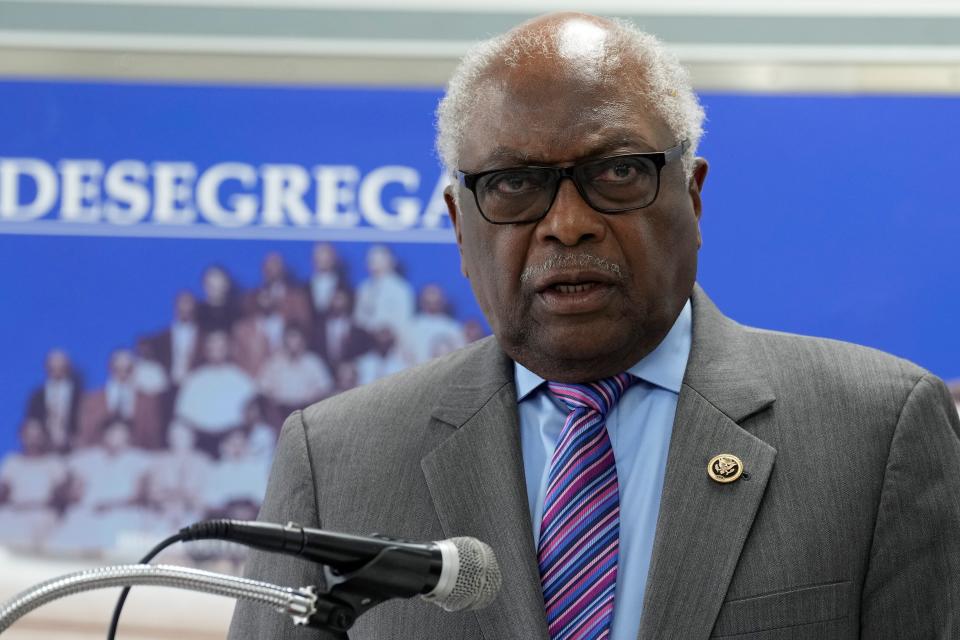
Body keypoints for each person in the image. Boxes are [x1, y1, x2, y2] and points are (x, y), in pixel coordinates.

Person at [230, 13, 960, 640]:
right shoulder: (336, 461)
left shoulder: (876, 434)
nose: (569, 225)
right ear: (459, 225)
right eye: (514, 183)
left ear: (693, 196)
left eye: (616, 173)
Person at [25, 349, 84, 453]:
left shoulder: (79, 395)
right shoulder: (37, 396)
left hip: (72, 450)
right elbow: (31, 422)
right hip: (43, 451)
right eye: (52, 367)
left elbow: (84, 424)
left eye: (61, 366)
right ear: (46, 367)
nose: (57, 370)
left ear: (68, 367)